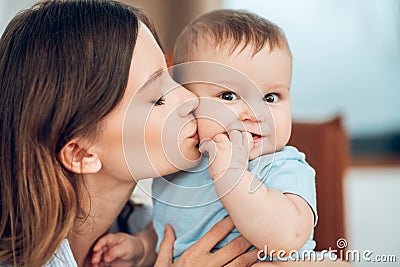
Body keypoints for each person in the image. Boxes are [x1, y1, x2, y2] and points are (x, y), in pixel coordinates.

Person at [0, 1, 259, 267]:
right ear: (80, 154)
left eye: (173, 78)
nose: (190, 98)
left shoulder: (152, 230)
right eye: (158, 98)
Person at [92, 9, 352, 267]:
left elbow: (289, 237)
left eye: (271, 98)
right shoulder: (177, 168)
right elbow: (170, 235)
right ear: (189, 101)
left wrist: (234, 177)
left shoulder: (283, 166)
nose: (255, 113)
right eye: (229, 96)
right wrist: (142, 248)